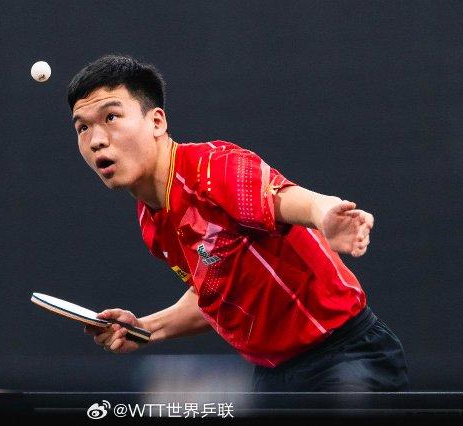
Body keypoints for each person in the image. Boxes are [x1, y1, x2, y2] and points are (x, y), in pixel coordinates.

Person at [68, 54, 409, 391]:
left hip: (344, 359)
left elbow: (286, 197)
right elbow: (215, 292)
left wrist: (324, 213)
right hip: (274, 375)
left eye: (111, 117)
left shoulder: (212, 169)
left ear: (156, 121)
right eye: (83, 127)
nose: (96, 140)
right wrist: (144, 328)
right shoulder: (151, 219)